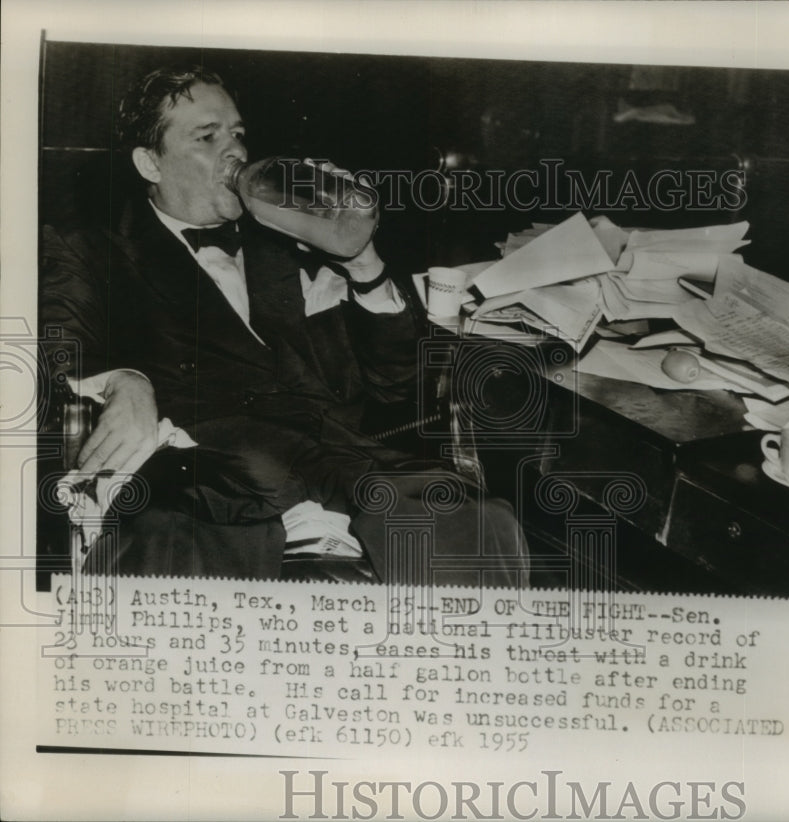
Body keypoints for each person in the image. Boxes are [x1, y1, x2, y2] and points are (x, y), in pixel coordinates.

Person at [40, 66, 525, 586]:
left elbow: (398, 384)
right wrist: (124, 380)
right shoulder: (93, 250)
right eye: (207, 137)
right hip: (211, 480)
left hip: (340, 463)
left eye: (238, 134)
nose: (235, 151)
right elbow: (53, 348)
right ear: (150, 162)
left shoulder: (295, 235)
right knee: (171, 551)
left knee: (478, 523)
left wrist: (363, 261)